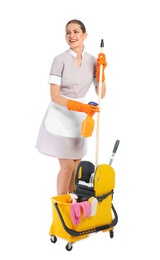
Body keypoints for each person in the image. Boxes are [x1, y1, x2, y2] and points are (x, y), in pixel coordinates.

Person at [35, 19, 107, 195]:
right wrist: (80, 107)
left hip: (78, 121)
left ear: (85, 35)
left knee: (76, 169)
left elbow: (101, 93)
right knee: (67, 167)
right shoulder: (59, 60)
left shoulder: (92, 61)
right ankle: (60, 207)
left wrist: (102, 73)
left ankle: (73, 205)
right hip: (61, 116)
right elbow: (54, 96)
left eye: (75, 31)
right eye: (68, 32)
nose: (71, 35)